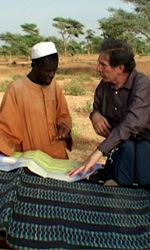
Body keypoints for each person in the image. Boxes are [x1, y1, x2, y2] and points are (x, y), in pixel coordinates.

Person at [69, 38, 150, 186]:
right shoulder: (104, 86)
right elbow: (97, 108)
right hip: (121, 154)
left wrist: (99, 152)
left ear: (120, 68)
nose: (98, 69)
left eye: (103, 65)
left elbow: (132, 124)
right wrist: (94, 115)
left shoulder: (142, 84)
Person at [0, 41, 72, 159]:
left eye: (54, 70)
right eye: (47, 71)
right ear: (34, 66)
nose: (52, 75)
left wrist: (64, 126)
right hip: (32, 161)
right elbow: (6, 131)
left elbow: (63, 115)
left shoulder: (54, 86)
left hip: (58, 158)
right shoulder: (16, 89)